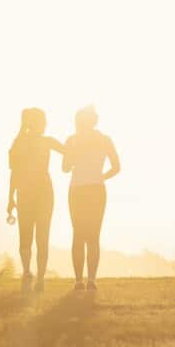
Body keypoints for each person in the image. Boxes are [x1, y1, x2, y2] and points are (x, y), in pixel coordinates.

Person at [62, 105, 120, 291]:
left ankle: (81, 280)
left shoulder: (72, 140)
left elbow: (64, 168)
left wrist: (72, 152)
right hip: (95, 189)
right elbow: (116, 167)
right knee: (92, 236)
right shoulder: (104, 139)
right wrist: (100, 176)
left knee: (79, 235)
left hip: (78, 189)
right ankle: (90, 280)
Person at [7, 108, 65, 293]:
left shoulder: (20, 144)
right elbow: (67, 151)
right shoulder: (36, 143)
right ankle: (33, 275)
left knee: (32, 235)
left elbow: (14, 174)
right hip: (38, 193)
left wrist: (10, 198)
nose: (45, 124)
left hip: (31, 193)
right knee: (37, 235)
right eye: (42, 121)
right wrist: (10, 198)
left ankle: (33, 275)